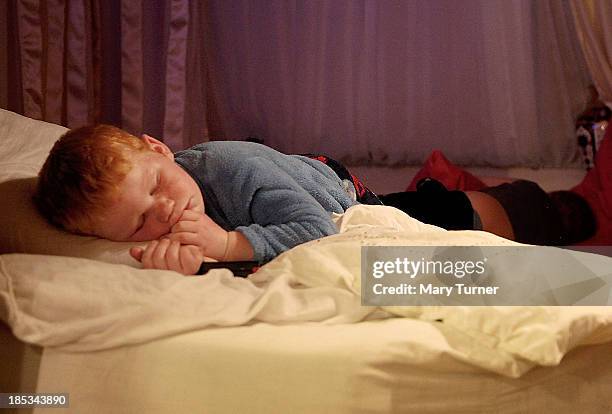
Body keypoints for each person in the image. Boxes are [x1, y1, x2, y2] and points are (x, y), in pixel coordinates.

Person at [34, 124, 597, 275]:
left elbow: (317, 230)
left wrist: (228, 243)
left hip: (337, 199)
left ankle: (543, 200)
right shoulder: (165, 227)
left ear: (159, 148)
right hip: (316, 195)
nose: (163, 214)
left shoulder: (230, 168)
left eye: (155, 187)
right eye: (138, 226)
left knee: (477, 220)